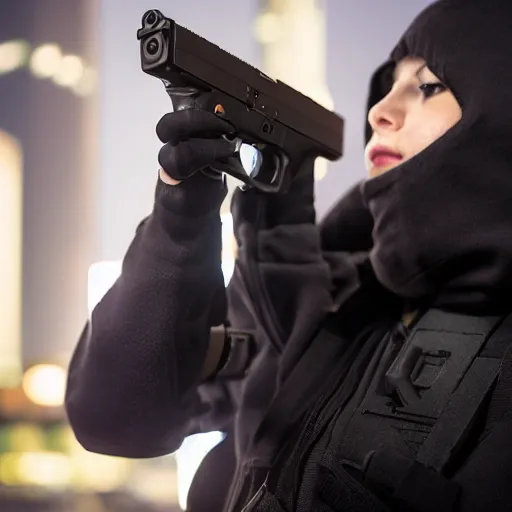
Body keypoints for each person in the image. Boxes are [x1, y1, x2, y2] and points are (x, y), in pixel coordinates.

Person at [65, 0, 512, 510]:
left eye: (428, 86)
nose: (378, 112)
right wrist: (179, 222)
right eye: (388, 85)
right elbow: (114, 419)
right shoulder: (331, 303)